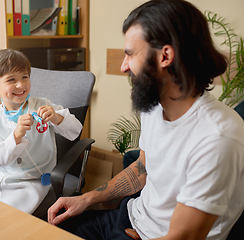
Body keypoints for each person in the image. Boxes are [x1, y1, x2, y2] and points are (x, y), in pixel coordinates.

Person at [47, 0, 244, 239]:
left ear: (165, 56)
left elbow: (183, 237)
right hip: (129, 218)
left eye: (130, 54)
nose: (123, 67)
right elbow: (142, 170)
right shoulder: (155, 106)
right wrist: (86, 199)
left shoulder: (217, 137)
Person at [0, 49, 83, 214]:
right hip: (0, 175)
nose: (21, 85)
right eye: (11, 80)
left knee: (9, 217)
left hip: (33, 180)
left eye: (24, 77)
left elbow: (75, 130)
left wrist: (56, 118)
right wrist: (16, 136)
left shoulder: (42, 105)